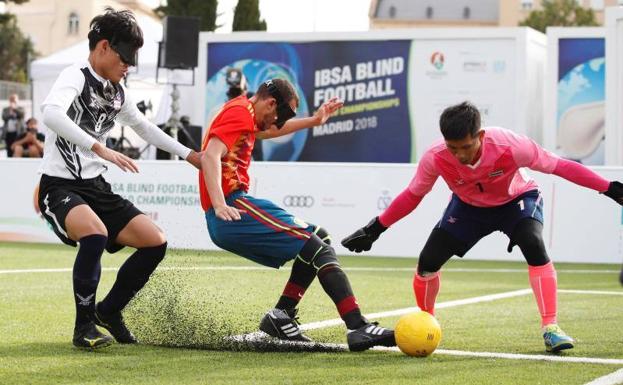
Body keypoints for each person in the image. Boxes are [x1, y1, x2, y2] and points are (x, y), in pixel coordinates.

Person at [342, 101, 623, 353]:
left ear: (481, 136)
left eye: (466, 147)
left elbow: (559, 166)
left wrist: (608, 188)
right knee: (428, 261)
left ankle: (551, 327)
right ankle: (426, 323)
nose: (460, 155)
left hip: (517, 198)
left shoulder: (512, 146)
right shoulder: (436, 157)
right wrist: (375, 228)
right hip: (469, 207)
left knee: (532, 241)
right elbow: (413, 195)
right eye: (453, 148)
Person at [38, 8, 202, 349]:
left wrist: (190, 155)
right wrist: (99, 147)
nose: (127, 66)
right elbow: (51, 113)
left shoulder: (117, 92)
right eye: (124, 57)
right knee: (95, 234)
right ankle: (83, 328)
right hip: (60, 186)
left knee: (155, 242)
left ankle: (108, 311)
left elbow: (144, 127)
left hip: (97, 187)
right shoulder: (75, 75)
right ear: (102, 48)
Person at [199, 78, 396, 352]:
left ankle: (281, 314)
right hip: (231, 208)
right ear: (270, 103)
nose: (280, 122)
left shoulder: (245, 112)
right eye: (282, 114)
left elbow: (267, 133)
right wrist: (220, 204)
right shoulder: (240, 112)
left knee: (319, 237)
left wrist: (314, 121)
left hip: (234, 206)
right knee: (317, 247)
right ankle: (357, 326)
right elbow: (209, 156)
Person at [2, 93, 25, 157]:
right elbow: (4, 117)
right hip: (8, 133)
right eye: (11, 100)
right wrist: (10, 112)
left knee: (17, 148)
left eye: (14, 99)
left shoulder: (20, 108)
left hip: (18, 133)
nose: (12, 101)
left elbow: (21, 115)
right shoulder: (6, 109)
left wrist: (14, 109)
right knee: (8, 149)